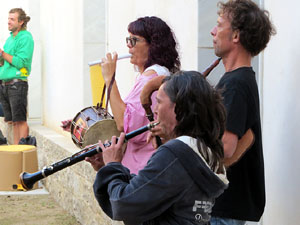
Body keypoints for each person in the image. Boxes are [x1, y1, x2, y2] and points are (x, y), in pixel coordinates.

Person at [87, 71, 228, 224]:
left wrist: (113, 166)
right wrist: (107, 168)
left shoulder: (176, 153)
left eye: (159, 102)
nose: (154, 110)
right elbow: (147, 191)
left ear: (178, 108)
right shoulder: (201, 151)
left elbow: (124, 204)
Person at [209, 1, 276, 224]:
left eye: (219, 25)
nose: (213, 31)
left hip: (225, 209)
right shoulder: (237, 80)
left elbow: (225, 149)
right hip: (224, 207)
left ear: (235, 35)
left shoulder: (236, 85)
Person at [89, 16, 180, 175]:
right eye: (127, 40)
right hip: (143, 165)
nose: (128, 46)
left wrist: (110, 78)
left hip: (141, 169)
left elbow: (125, 125)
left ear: (153, 44)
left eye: (134, 40)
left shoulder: (152, 77)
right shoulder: (154, 74)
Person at [0, 8, 34, 144]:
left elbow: (21, 62)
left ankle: (23, 152)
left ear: (21, 22)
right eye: (8, 18)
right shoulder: (9, 39)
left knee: (20, 121)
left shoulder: (26, 37)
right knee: (13, 122)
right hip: (5, 84)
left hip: (17, 84)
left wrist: (2, 54)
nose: (8, 22)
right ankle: (16, 151)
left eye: (12, 19)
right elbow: (5, 62)